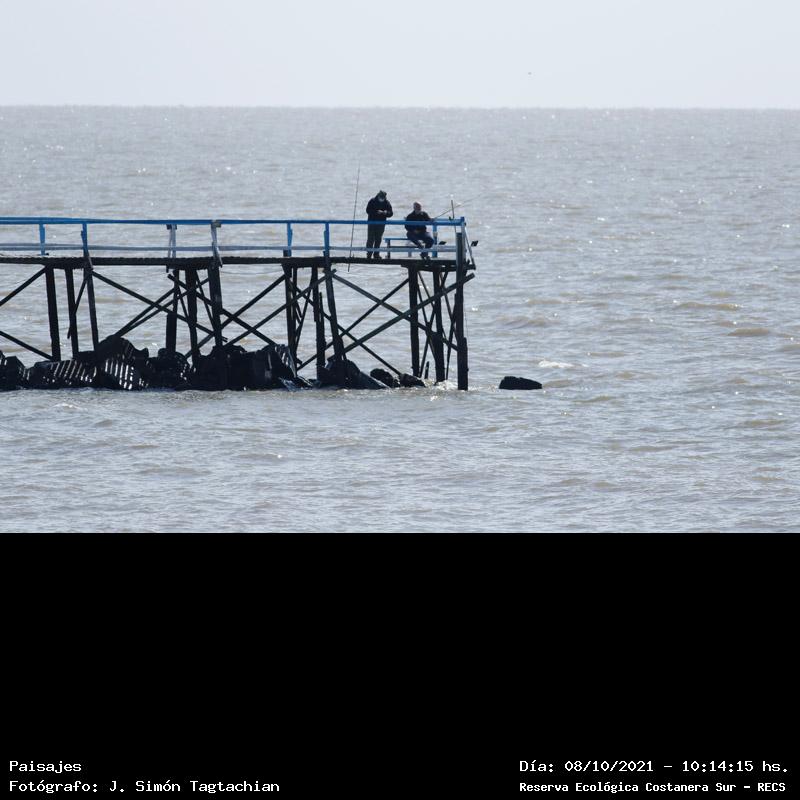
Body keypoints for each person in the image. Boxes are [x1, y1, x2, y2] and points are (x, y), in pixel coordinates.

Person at [365, 190, 393, 260]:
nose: (382, 199)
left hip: (381, 224)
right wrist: (376, 212)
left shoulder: (387, 202)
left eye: (383, 197)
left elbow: (391, 213)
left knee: (378, 239)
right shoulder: (372, 201)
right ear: (378, 195)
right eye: (381, 197)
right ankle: (369, 254)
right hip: (372, 223)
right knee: (370, 238)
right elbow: (368, 210)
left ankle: (376, 254)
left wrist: (385, 213)